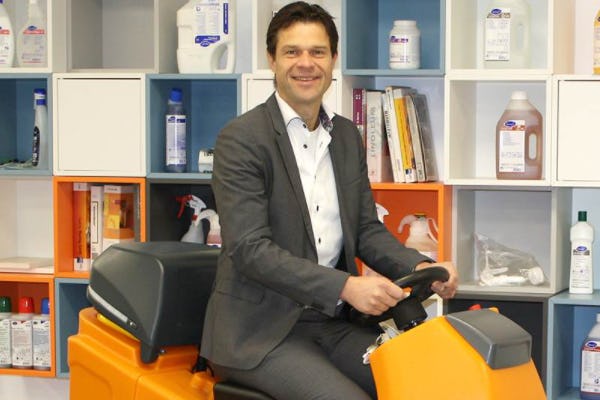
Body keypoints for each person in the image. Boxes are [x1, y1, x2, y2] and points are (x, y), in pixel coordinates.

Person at [200, 2, 459, 399]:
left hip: (332, 323)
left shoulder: (346, 137)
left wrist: (421, 266)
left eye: (317, 52)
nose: (306, 64)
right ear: (272, 60)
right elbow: (250, 249)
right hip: (258, 333)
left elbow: (366, 230)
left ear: (333, 59)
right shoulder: (242, 140)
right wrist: (345, 287)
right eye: (292, 51)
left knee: (426, 385)